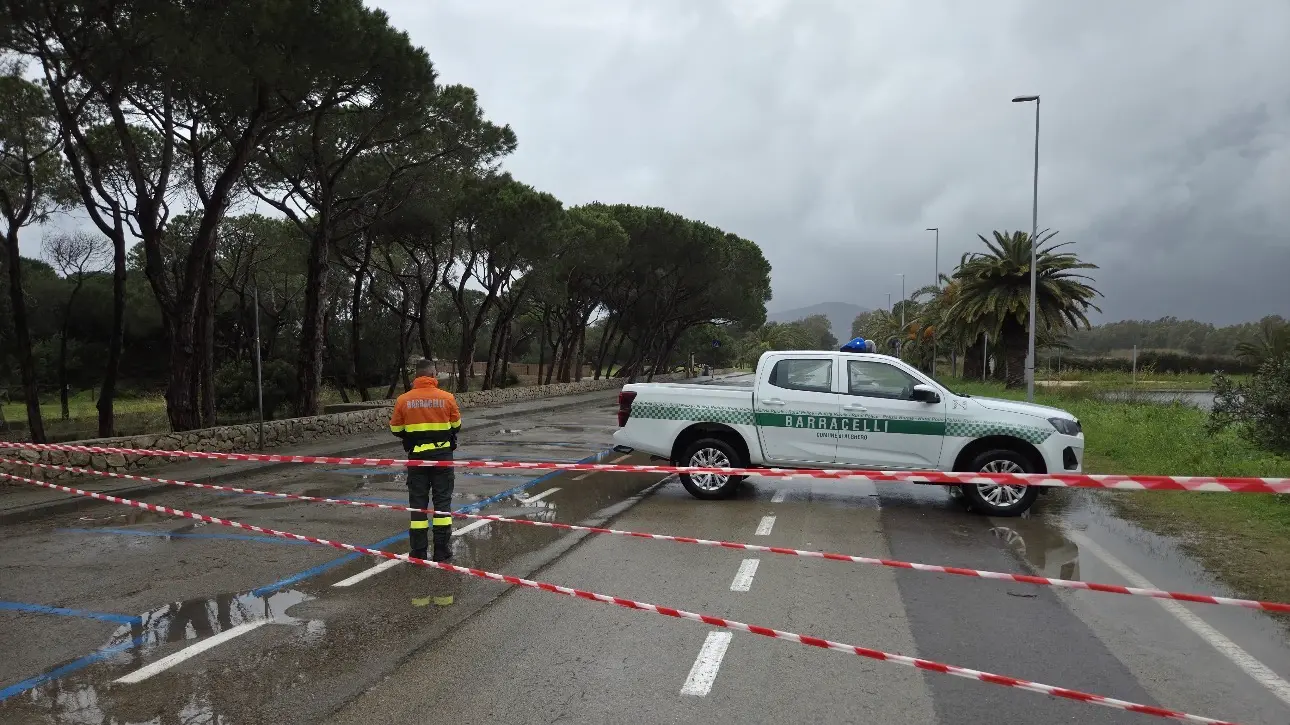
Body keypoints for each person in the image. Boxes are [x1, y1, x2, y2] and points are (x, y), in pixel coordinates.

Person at [389, 359, 461, 562]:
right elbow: (456, 425)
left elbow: (395, 429)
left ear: (416, 376)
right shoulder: (447, 398)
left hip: (417, 459)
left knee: (418, 504)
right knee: (442, 503)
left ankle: (419, 551)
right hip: (442, 458)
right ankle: (441, 550)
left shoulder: (403, 400)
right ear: (433, 375)